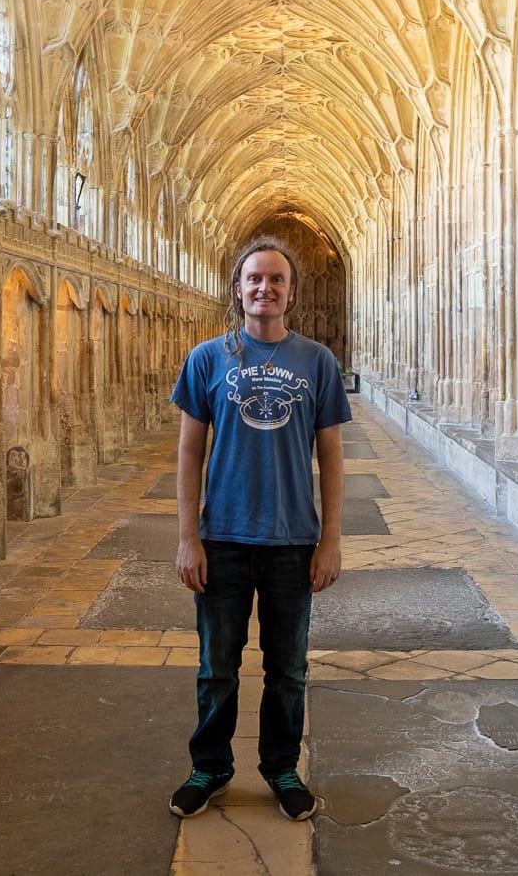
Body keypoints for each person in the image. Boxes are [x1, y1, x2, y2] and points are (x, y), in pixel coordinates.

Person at [166, 235, 351, 823]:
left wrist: (332, 539)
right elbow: (190, 454)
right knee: (217, 666)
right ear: (237, 289)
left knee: (288, 669)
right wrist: (186, 536)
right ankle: (211, 766)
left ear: (291, 292)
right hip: (222, 537)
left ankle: (281, 766)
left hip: (292, 540)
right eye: (254, 279)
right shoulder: (207, 358)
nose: (264, 288)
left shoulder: (317, 362)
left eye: (276, 279)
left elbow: (333, 457)